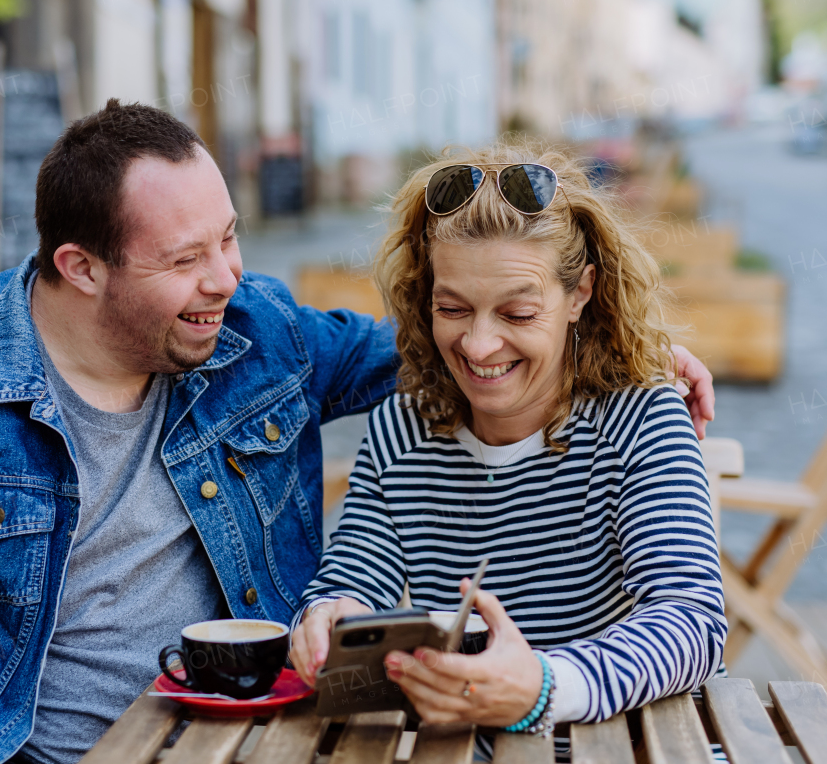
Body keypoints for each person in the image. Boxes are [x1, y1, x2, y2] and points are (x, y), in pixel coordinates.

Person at [0, 104, 714, 764]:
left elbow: (452, 342)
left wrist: (630, 348)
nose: (229, 278)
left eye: (231, 236)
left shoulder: (258, 336)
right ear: (80, 266)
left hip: (235, 740)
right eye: (187, 257)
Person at [289, 139, 726, 755]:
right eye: (452, 307)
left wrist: (543, 687)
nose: (478, 345)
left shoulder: (640, 416)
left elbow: (691, 620)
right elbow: (355, 579)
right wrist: (328, 619)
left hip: (633, 743)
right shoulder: (400, 430)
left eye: (518, 313)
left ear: (580, 294)